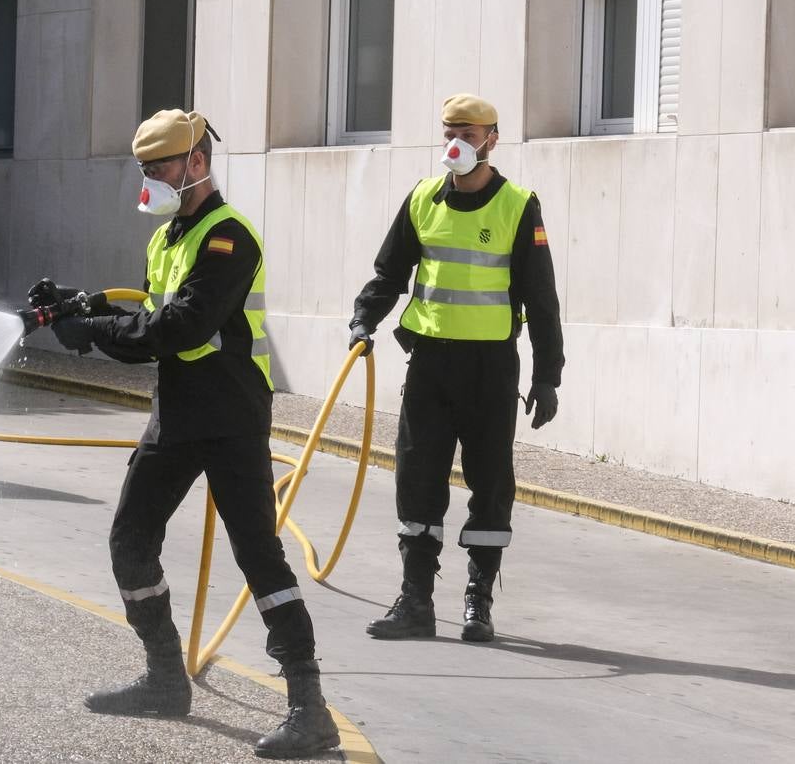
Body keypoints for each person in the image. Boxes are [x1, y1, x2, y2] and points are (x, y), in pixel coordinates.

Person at [44, 109, 340, 759]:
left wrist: (91, 333)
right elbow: (151, 324)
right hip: (176, 415)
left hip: (230, 418)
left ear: (196, 163)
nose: (148, 179)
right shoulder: (168, 239)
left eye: (160, 167)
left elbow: (179, 328)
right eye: (143, 168)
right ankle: (163, 678)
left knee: (259, 557)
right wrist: (80, 307)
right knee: (130, 541)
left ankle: (309, 709)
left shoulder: (228, 238)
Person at [347, 93, 564, 644]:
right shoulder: (423, 198)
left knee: (490, 483)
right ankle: (415, 600)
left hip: (491, 370)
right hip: (431, 364)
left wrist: (547, 376)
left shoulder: (517, 205)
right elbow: (389, 272)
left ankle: (478, 601)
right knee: (417, 479)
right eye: (449, 131)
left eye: (468, 133)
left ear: (493, 138)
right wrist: (364, 320)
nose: (457, 142)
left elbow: (542, 299)